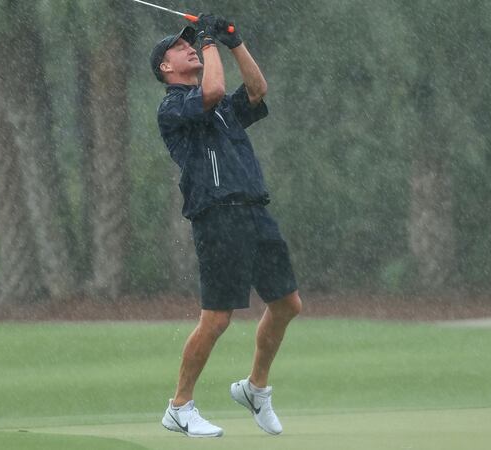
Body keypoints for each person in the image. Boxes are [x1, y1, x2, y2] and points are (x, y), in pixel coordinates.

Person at [149, 15, 302, 438]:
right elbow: (213, 90)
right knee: (216, 319)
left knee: (288, 305)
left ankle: (255, 388)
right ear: (166, 67)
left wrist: (235, 43)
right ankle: (179, 406)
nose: (190, 49)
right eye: (180, 47)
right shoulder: (173, 106)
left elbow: (256, 90)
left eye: (191, 44)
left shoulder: (224, 112)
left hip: (254, 210)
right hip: (217, 217)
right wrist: (209, 42)